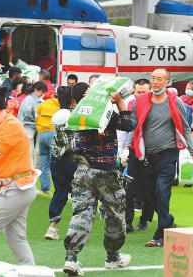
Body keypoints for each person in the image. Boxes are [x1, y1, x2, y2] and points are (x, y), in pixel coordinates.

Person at [63, 87, 134, 275]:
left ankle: (71, 258)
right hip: (105, 172)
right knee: (115, 214)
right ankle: (112, 257)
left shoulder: (76, 114)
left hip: (82, 171)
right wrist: (120, 102)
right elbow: (128, 124)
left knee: (81, 214)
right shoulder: (103, 112)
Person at [130, 68, 193, 248]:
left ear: (167, 82)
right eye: (153, 78)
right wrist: (125, 148)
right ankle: (168, 220)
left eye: (159, 79)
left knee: (163, 192)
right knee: (150, 196)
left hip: (168, 154)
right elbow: (134, 127)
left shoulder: (175, 102)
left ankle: (160, 235)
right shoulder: (140, 102)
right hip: (147, 157)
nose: (154, 82)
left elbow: (185, 128)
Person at [0, 88, 38, 265]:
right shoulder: (4, 126)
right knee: (15, 236)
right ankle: (30, 271)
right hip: (20, 187)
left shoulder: (11, 126)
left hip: (16, 187)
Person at [118, 78, 155, 232]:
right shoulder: (131, 104)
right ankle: (127, 222)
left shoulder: (157, 105)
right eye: (138, 92)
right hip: (134, 150)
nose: (140, 95)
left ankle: (144, 219)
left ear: (150, 90)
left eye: (143, 92)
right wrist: (125, 148)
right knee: (129, 188)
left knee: (149, 189)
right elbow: (130, 129)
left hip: (151, 151)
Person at [46, 86, 78, 240]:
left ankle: (52, 227)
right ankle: (77, 229)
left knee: (59, 192)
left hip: (56, 158)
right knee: (80, 193)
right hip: (72, 158)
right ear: (73, 100)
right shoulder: (74, 115)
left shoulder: (57, 115)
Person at [36, 87, 62, 194]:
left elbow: (36, 114)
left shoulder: (45, 103)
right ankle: (58, 188)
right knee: (55, 163)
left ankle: (45, 188)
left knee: (43, 162)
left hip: (42, 133)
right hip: (53, 133)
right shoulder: (61, 106)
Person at [19, 81, 48, 163]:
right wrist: (37, 121)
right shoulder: (29, 99)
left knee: (31, 149)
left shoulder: (36, 99)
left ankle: (31, 166)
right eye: (41, 92)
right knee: (29, 150)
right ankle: (29, 166)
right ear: (35, 89)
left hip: (32, 126)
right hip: (27, 126)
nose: (42, 94)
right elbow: (28, 114)